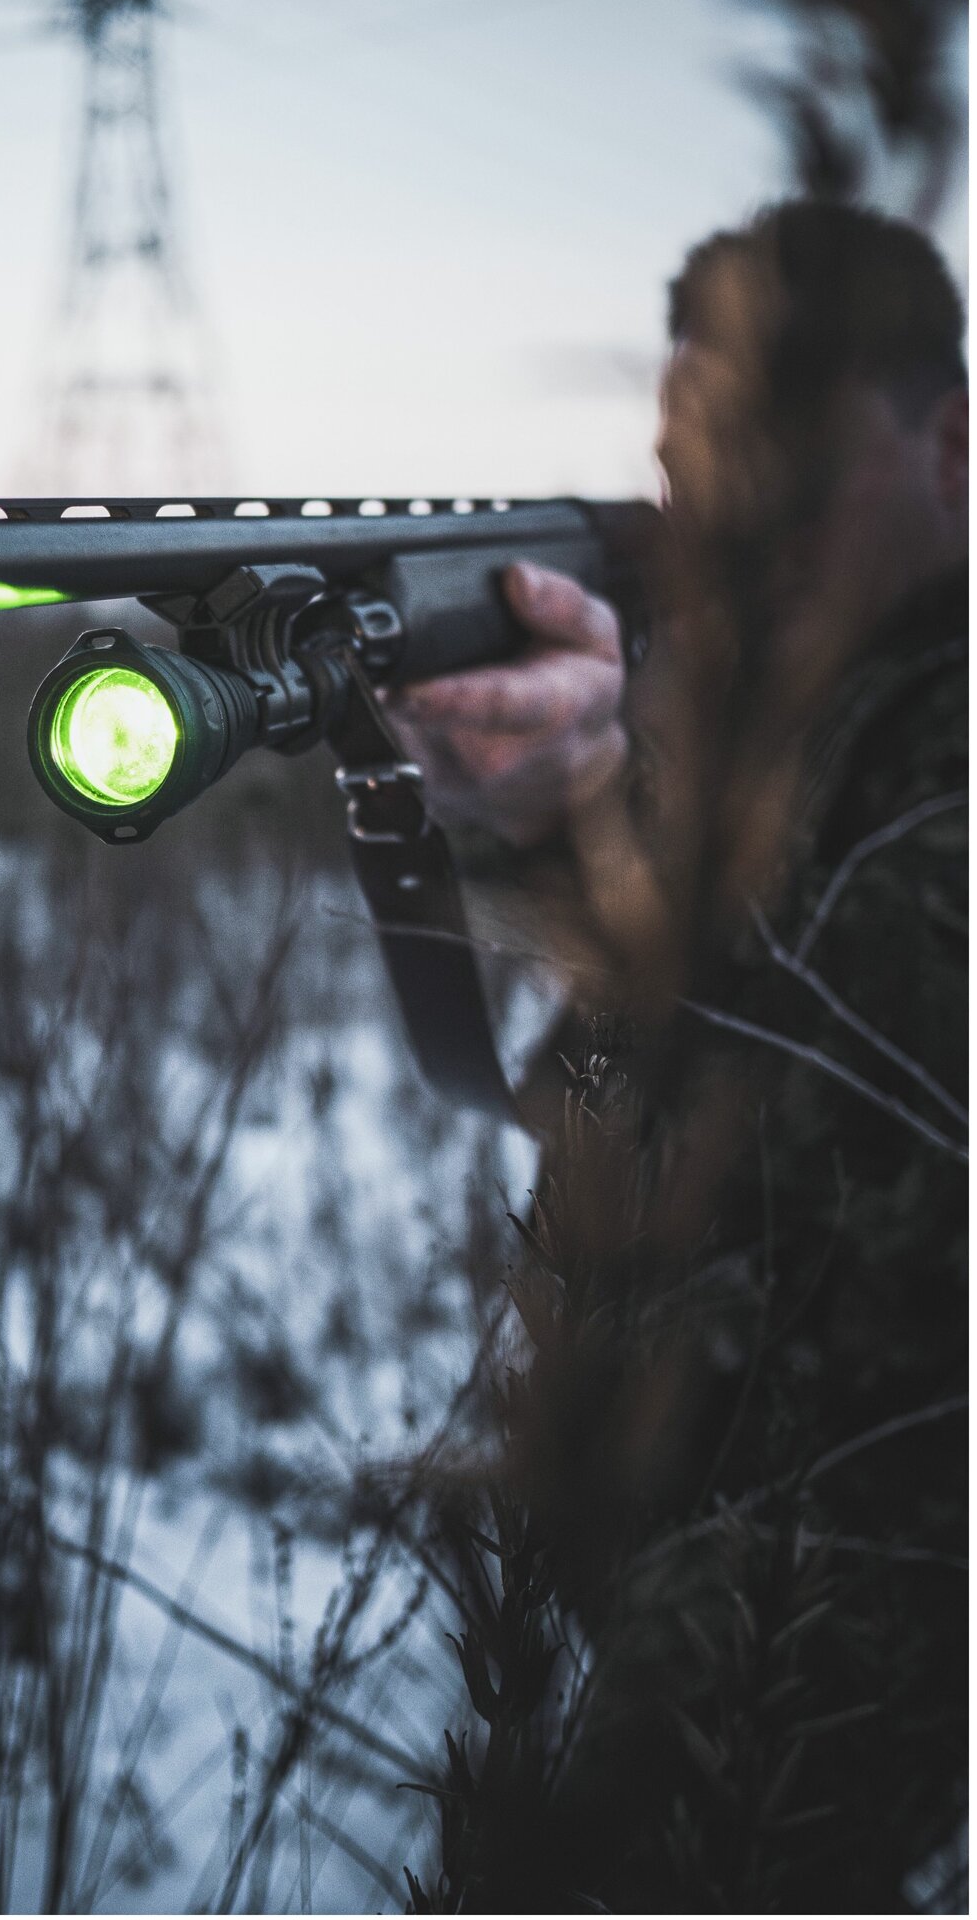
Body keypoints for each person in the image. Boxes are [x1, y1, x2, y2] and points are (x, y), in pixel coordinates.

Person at [389, 201, 968, 1910]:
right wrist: (556, 818)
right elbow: (603, 1108)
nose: (721, 519)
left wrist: (599, 814)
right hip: (728, 1556)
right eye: (683, 465)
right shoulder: (804, 732)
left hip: (857, 1589)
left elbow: (800, 1162)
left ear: (952, 441)